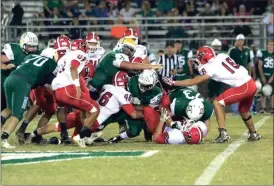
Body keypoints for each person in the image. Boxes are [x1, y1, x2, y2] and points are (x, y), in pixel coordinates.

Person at [162, 46, 262, 143]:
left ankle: (223, 134)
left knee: (217, 103)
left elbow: (193, 81)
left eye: (199, 57)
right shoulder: (222, 55)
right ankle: (253, 133)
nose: (198, 60)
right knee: (243, 111)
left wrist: (174, 83)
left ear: (204, 57)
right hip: (250, 83)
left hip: (244, 86)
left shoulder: (208, 67)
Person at [1, 48, 59, 148]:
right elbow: (52, 82)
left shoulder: (30, 56)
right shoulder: (51, 63)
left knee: (9, 109)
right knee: (17, 115)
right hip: (23, 83)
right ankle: (4, 138)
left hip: (10, 78)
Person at [89, 38, 162, 91]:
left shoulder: (119, 56)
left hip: (103, 88)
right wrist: (150, 66)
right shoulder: (114, 55)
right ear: (119, 45)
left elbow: (128, 69)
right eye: (126, 48)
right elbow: (130, 66)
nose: (127, 51)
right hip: (95, 88)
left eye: (130, 51)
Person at [1, 32, 40, 115]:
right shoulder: (14, 50)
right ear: (23, 44)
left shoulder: (37, 54)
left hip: (16, 85)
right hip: (3, 82)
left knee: (10, 111)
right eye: (30, 46)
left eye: (34, 46)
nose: (32, 49)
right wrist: (5, 67)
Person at [228, 34, 256, 114]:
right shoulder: (232, 50)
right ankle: (236, 110)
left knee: (247, 92)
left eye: (242, 40)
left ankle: (248, 109)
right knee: (235, 92)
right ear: (236, 41)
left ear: (244, 41)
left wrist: (250, 74)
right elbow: (228, 63)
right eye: (239, 40)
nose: (240, 41)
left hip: (245, 75)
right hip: (235, 75)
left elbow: (250, 63)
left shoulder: (247, 50)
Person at [257, 39, 274, 113]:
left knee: (272, 93)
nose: (271, 46)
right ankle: (262, 108)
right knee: (263, 92)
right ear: (267, 45)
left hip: (272, 75)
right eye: (269, 44)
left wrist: (272, 77)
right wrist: (263, 76)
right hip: (264, 74)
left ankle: (272, 108)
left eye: (272, 44)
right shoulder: (262, 53)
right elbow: (259, 66)